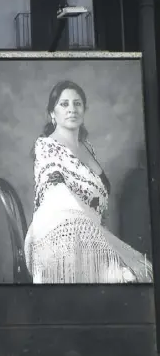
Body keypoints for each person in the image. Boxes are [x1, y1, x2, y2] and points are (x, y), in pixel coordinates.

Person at [25, 80, 153, 283]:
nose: (72, 109)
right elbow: (55, 194)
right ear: (52, 113)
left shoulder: (88, 148)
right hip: (61, 241)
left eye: (77, 103)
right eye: (64, 104)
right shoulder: (46, 146)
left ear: (84, 110)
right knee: (127, 279)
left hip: (93, 238)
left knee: (142, 274)